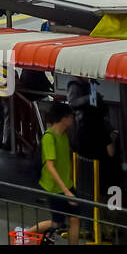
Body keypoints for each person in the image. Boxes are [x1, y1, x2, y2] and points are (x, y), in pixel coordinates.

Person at [32, 101, 81, 244]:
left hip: (66, 185)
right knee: (57, 223)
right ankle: (25, 234)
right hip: (54, 188)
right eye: (70, 117)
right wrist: (66, 191)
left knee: (74, 218)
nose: (72, 120)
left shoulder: (64, 136)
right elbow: (51, 166)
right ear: (63, 118)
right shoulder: (49, 137)